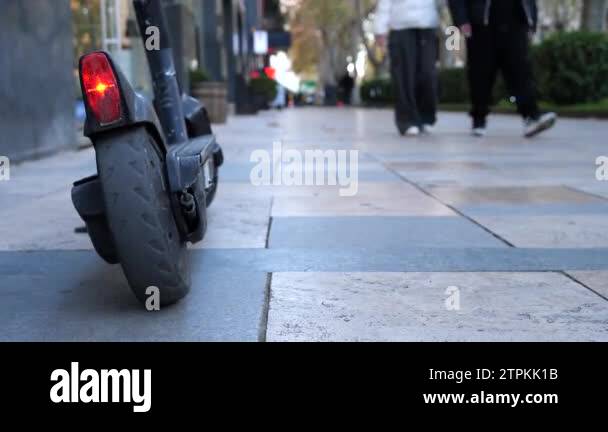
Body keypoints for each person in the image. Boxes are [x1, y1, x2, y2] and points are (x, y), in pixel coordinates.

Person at [448, 0, 557, 137]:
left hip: (515, 21)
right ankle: (479, 118)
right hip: (482, 23)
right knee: (481, 74)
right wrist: (461, 19)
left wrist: (532, 19)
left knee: (520, 72)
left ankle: (531, 116)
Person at [375, 0, 442, 136]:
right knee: (404, 77)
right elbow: (384, 3)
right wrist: (380, 29)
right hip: (401, 28)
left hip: (428, 26)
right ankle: (407, 121)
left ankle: (426, 118)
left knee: (428, 74)